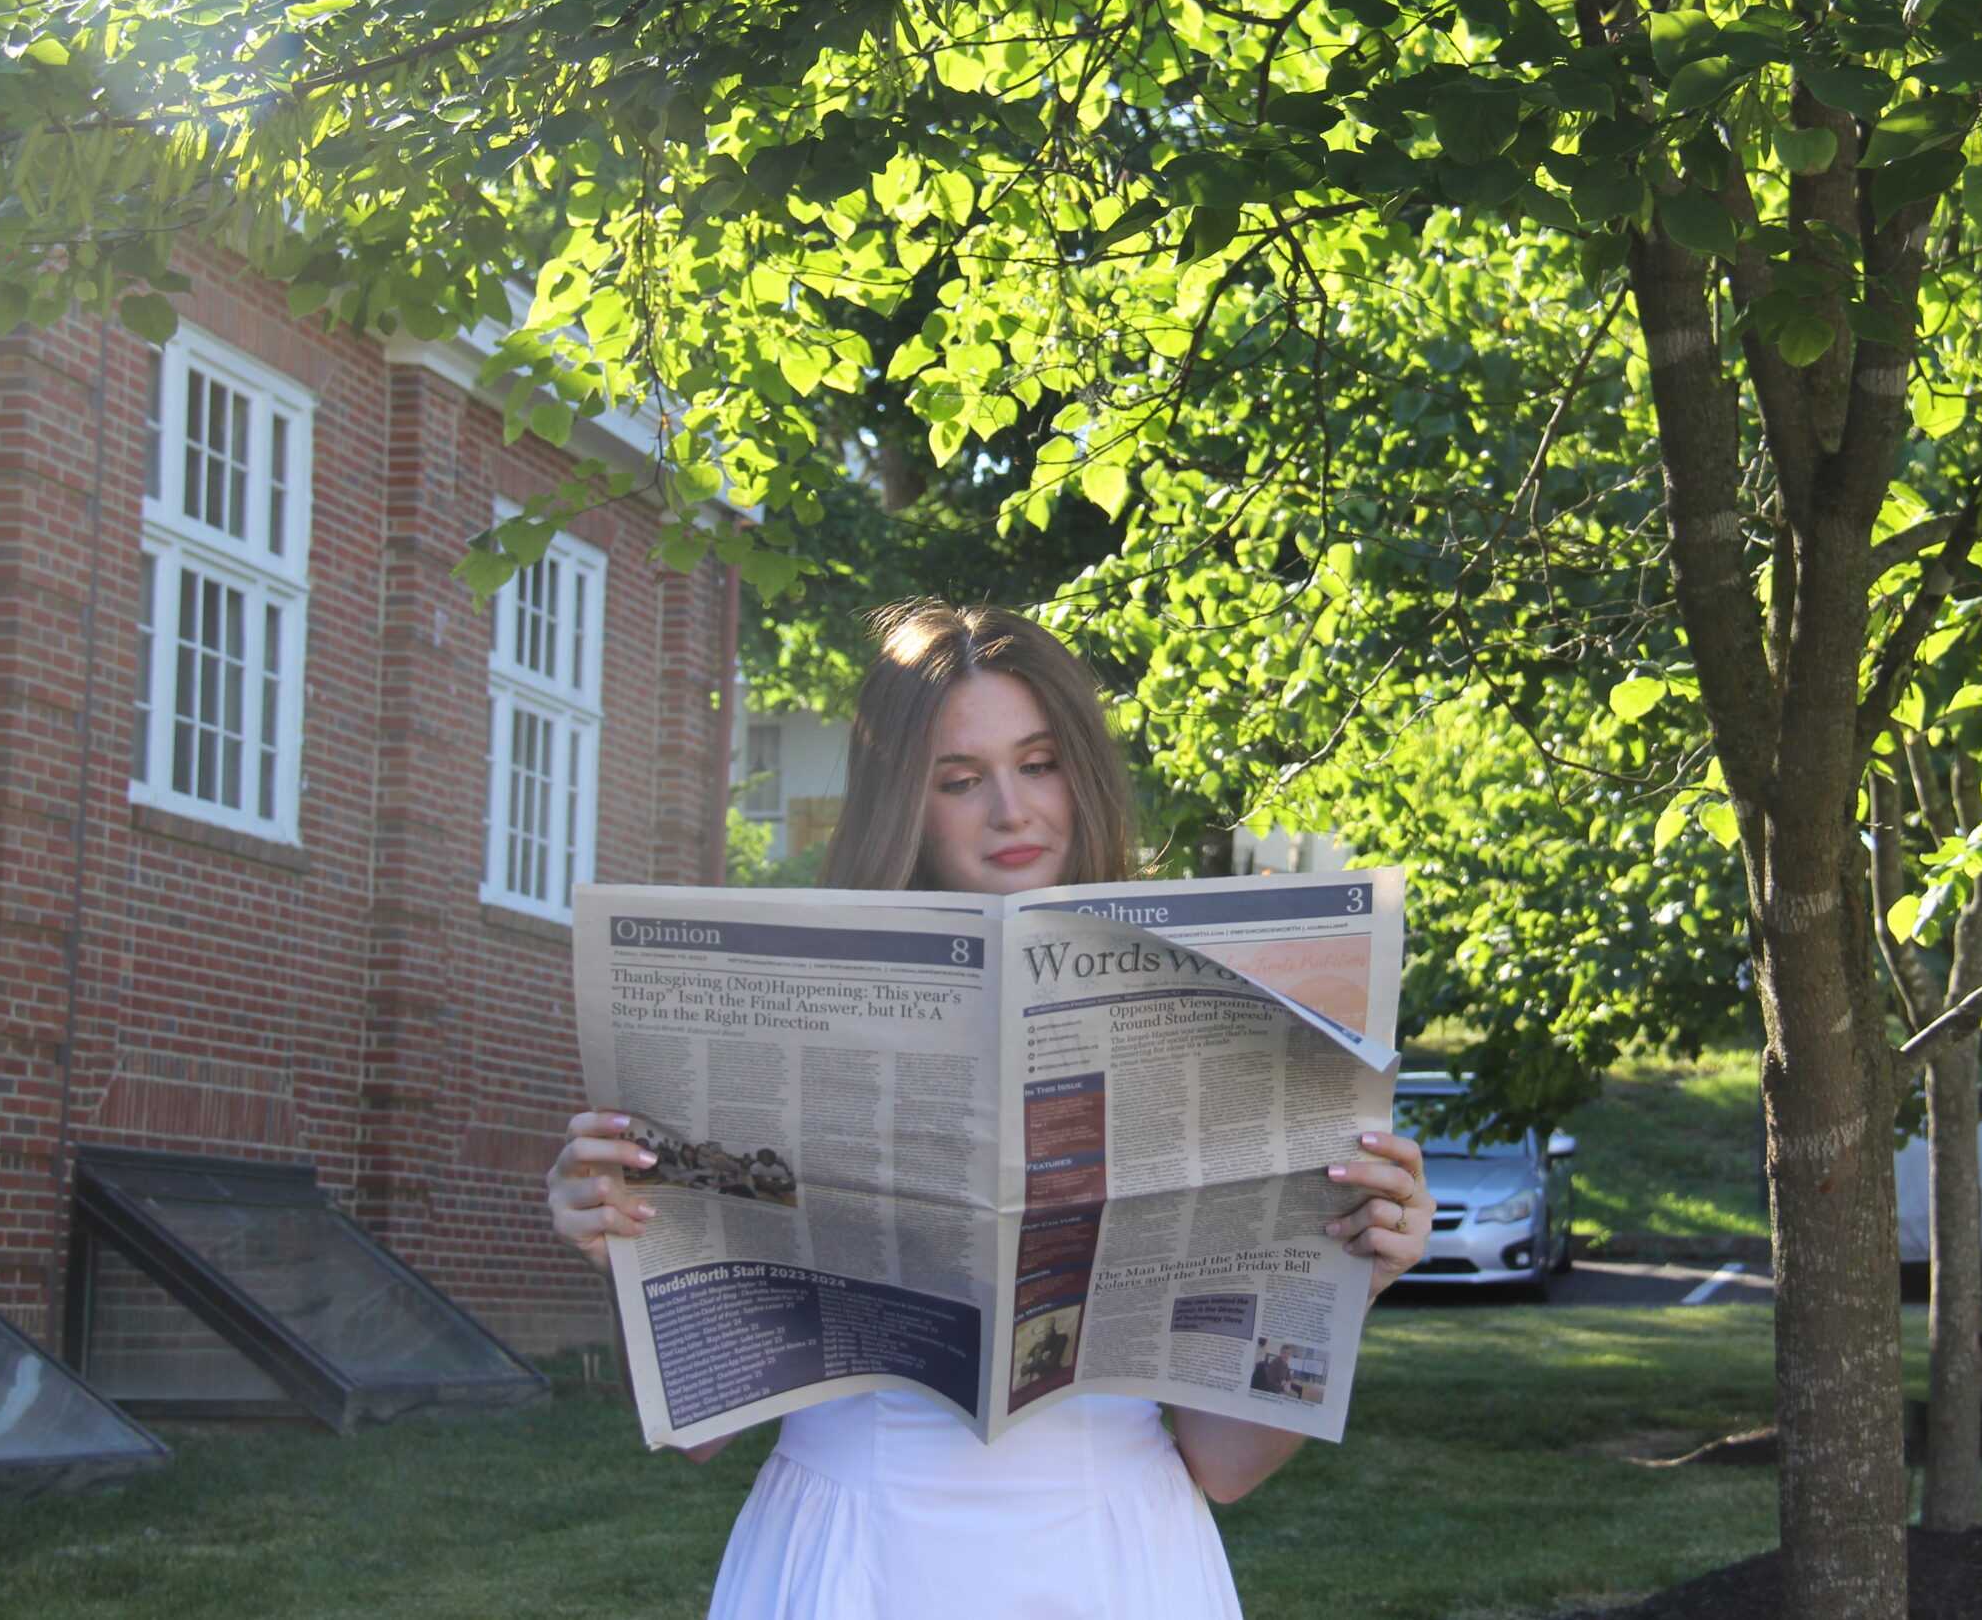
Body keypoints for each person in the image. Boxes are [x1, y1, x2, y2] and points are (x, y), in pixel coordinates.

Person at [545, 600, 1433, 1620]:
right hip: (854, 1560)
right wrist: (619, 1246)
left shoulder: (1207, 1007)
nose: (1010, 810)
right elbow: (700, 1432)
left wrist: (1354, 1274)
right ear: (901, 804)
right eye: (959, 781)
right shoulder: (796, 1006)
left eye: (1039, 763)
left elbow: (1225, 1463)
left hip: (1119, 1560)